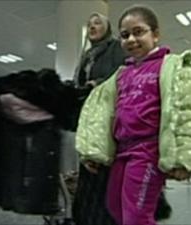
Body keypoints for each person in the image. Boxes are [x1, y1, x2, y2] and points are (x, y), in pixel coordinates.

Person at [76, 5, 191, 225]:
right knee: (115, 206)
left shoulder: (172, 67)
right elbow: (99, 113)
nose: (131, 39)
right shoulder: (121, 74)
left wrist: (184, 157)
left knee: (136, 215)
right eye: (125, 35)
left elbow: (189, 112)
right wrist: (92, 152)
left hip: (148, 151)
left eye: (139, 32)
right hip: (122, 151)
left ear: (155, 35)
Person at [71, 13, 126, 225]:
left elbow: (123, 75)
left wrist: (99, 83)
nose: (92, 26)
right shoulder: (86, 56)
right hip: (89, 122)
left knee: (106, 177)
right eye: (89, 23)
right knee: (89, 176)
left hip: (108, 122)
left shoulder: (115, 47)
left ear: (108, 28)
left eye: (97, 23)